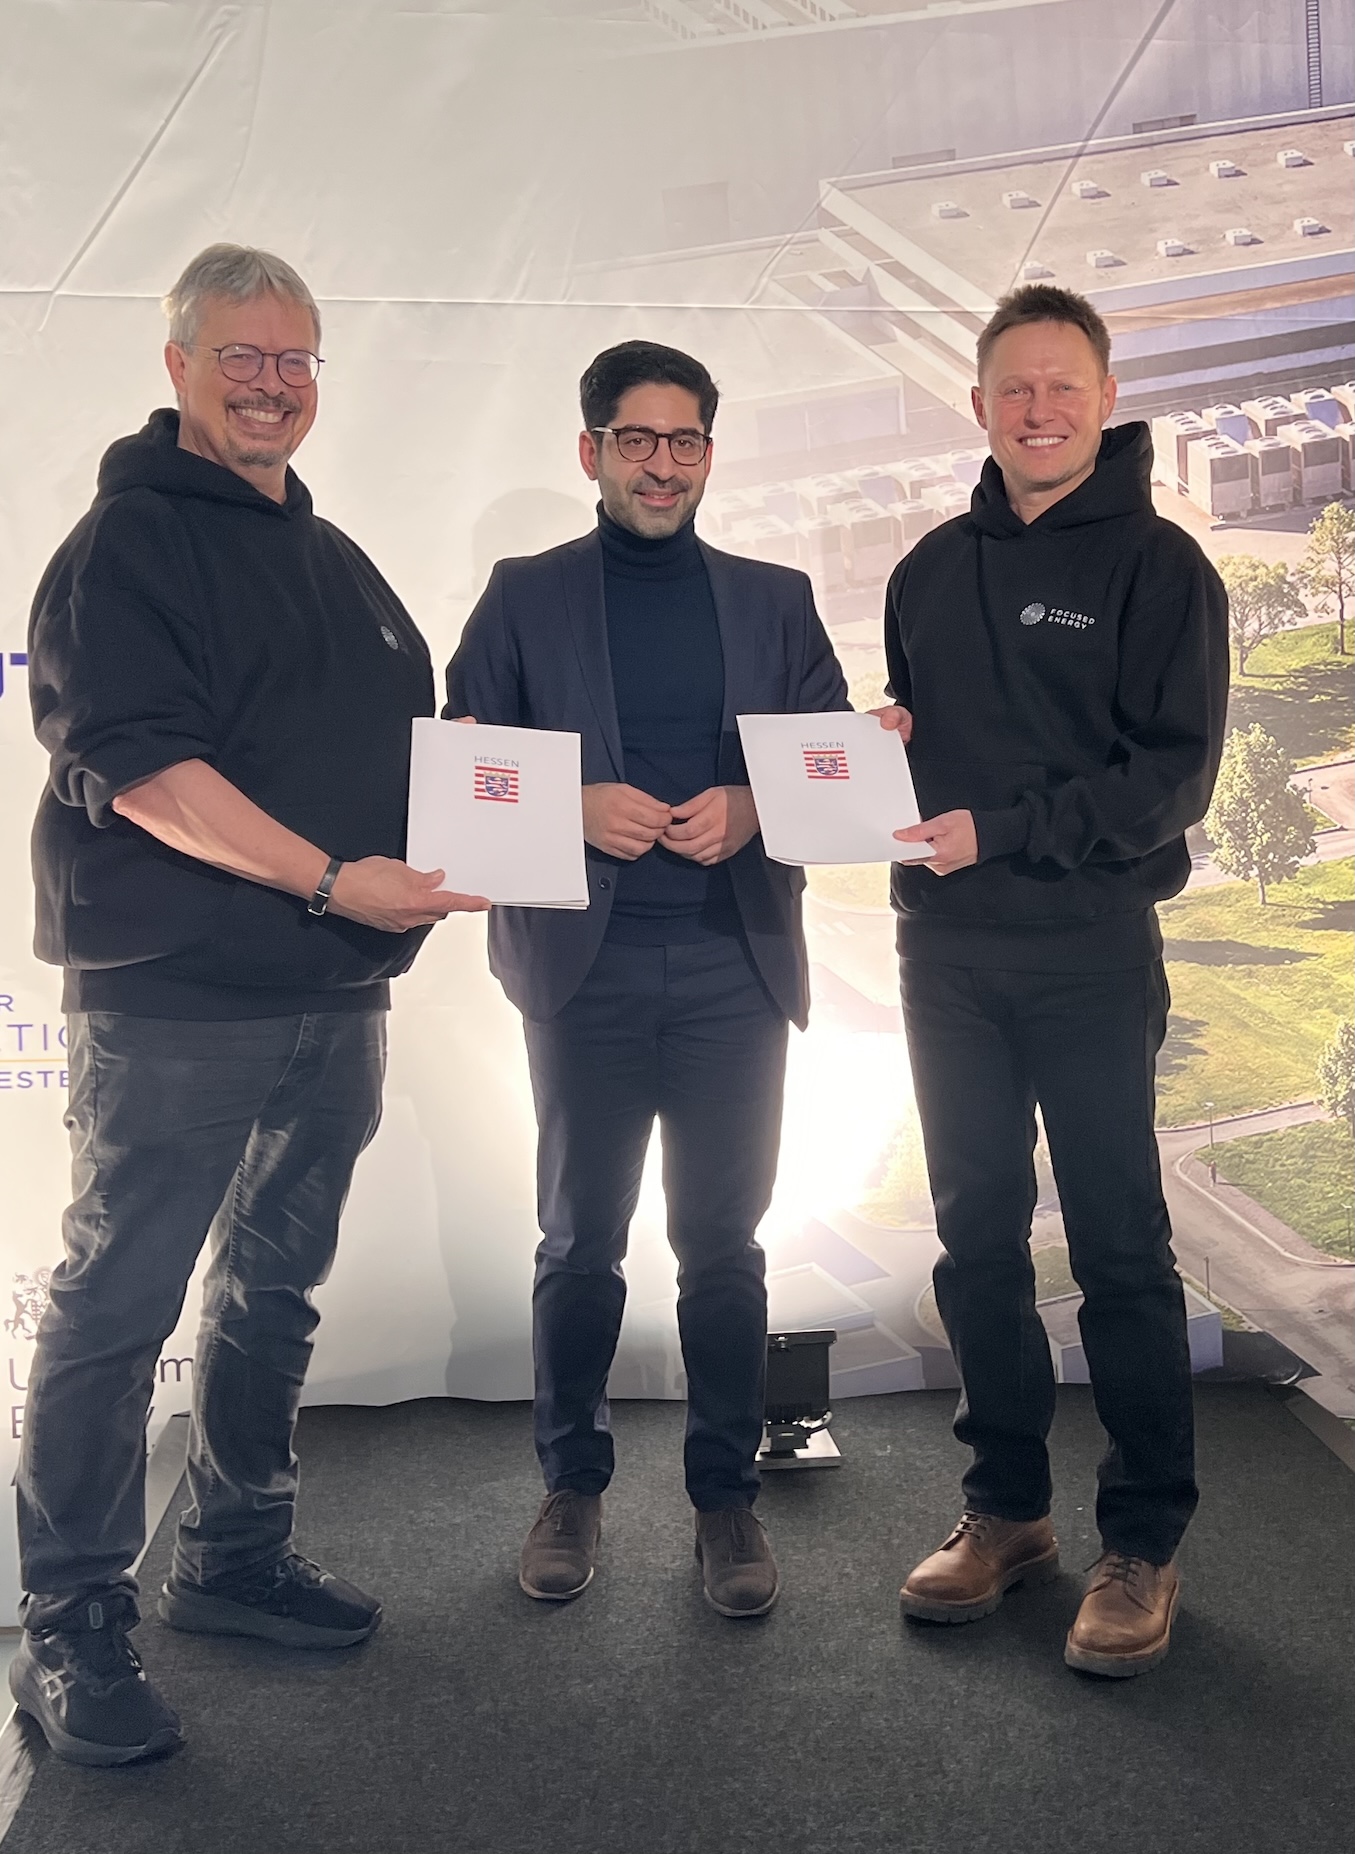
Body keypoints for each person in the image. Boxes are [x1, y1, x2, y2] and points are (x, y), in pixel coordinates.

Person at [14, 243, 488, 1766]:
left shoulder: (328, 552)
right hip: (174, 1006)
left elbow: (416, 754)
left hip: (330, 996)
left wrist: (534, 810)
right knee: (118, 1309)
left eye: (294, 359)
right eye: (241, 356)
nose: (271, 384)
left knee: (272, 1291)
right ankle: (70, 1624)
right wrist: (333, 878)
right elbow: (148, 772)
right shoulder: (125, 547)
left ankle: (232, 1554)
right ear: (179, 366)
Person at [446, 340, 849, 1618]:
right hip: (587, 972)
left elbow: (832, 765)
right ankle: (570, 1486)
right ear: (592, 452)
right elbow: (462, 769)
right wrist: (568, 802)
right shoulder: (523, 598)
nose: (660, 464)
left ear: (709, 456)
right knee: (579, 1242)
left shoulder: (776, 600)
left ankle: (724, 1498)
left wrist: (752, 804)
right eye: (636, 440)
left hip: (736, 966)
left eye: (683, 441)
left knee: (723, 1248)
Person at [881, 285, 1228, 1677]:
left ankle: (1139, 1540)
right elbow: (920, 751)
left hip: (1086, 951)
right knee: (973, 1240)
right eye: (1012, 388)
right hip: (944, 954)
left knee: (1116, 1249)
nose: (1036, 410)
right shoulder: (925, 568)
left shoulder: (1159, 566)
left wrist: (1007, 831)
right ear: (976, 404)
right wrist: (875, 753)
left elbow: (1169, 782)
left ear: (1103, 398)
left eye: (1061, 386)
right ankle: (1007, 1508)